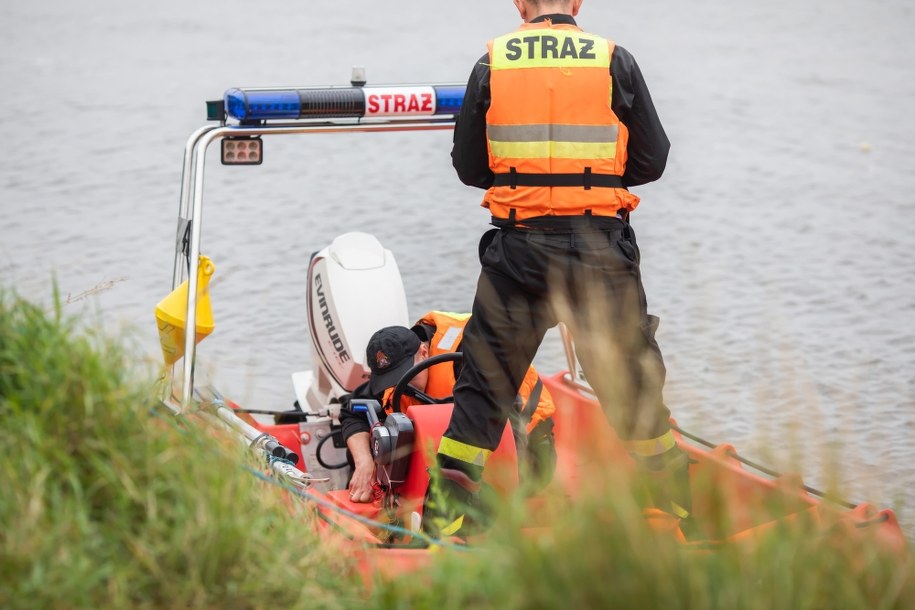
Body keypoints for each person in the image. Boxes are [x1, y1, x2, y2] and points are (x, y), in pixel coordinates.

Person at [428, 0, 691, 536]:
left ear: (519, 3)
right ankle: (679, 512)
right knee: (632, 384)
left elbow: (469, 167)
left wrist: (525, 180)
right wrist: (595, 180)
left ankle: (449, 521)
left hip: (519, 251)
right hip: (601, 252)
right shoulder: (613, 59)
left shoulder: (493, 63)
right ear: (576, 3)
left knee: (484, 386)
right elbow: (653, 160)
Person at [340, 311, 557, 504]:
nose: (399, 387)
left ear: (424, 352)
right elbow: (352, 411)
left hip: (526, 447)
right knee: (371, 448)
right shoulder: (393, 371)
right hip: (443, 451)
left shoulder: (472, 357)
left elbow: (509, 428)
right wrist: (364, 462)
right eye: (391, 380)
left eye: (403, 376)